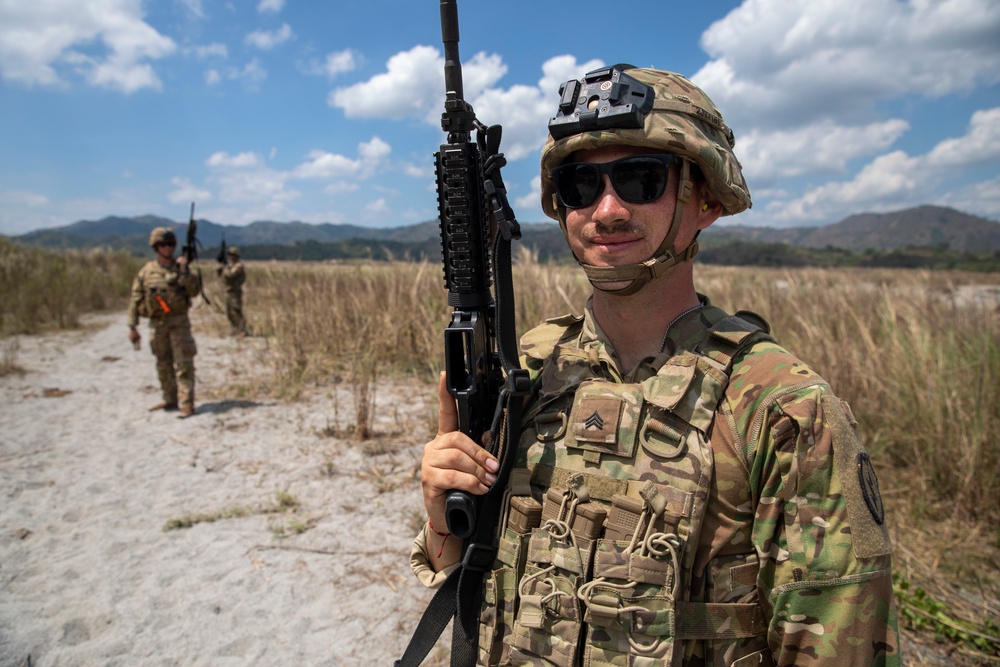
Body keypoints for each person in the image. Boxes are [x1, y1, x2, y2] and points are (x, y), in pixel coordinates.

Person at [412, 66, 899, 666]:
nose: (607, 209)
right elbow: (466, 584)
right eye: (579, 185)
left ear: (707, 199)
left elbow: (837, 647)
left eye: (643, 179)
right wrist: (444, 514)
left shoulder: (783, 409)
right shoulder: (526, 371)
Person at [127, 227, 200, 418]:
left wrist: (184, 273)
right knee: (163, 363)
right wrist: (132, 326)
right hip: (157, 324)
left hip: (179, 322)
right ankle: (169, 399)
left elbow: (194, 291)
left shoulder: (181, 268)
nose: (166, 248)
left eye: (169, 244)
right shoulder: (147, 272)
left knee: (184, 363)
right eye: (162, 244)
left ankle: (187, 403)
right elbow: (135, 298)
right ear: (155, 247)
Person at [216, 245, 247, 336]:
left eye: (233, 255)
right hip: (229, 291)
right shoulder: (230, 265)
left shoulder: (239, 266)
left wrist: (224, 267)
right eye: (230, 254)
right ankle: (235, 329)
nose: (231, 256)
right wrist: (219, 267)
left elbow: (229, 275)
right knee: (229, 312)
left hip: (235, 292)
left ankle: (241, 330)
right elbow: (221, 275)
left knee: (236, 311)